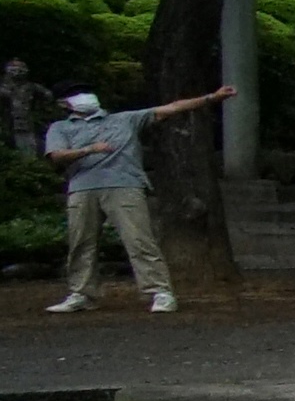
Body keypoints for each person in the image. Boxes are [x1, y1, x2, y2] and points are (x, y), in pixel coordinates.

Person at [41, 81, 237, 314]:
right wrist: (89, 149)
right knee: (81, 243)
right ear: (64, 103)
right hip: (82, 188)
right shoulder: (60, 128)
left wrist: (211, 98)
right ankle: (81, 294)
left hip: (126, 185)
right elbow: (56, 156)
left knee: (139, 240)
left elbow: (172, 108)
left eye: (87, 92)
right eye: (77, 95)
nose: (85, 97)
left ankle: (160, 292)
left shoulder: (125, 119)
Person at [3, 58, 51, 155]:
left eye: (20, 70)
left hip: (26, 123)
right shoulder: (3, 87)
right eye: (13, 70)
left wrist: (41, 109)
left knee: (28, 149)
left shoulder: (31, 86)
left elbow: (48, 95)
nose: (17, 73)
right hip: (6, 123)